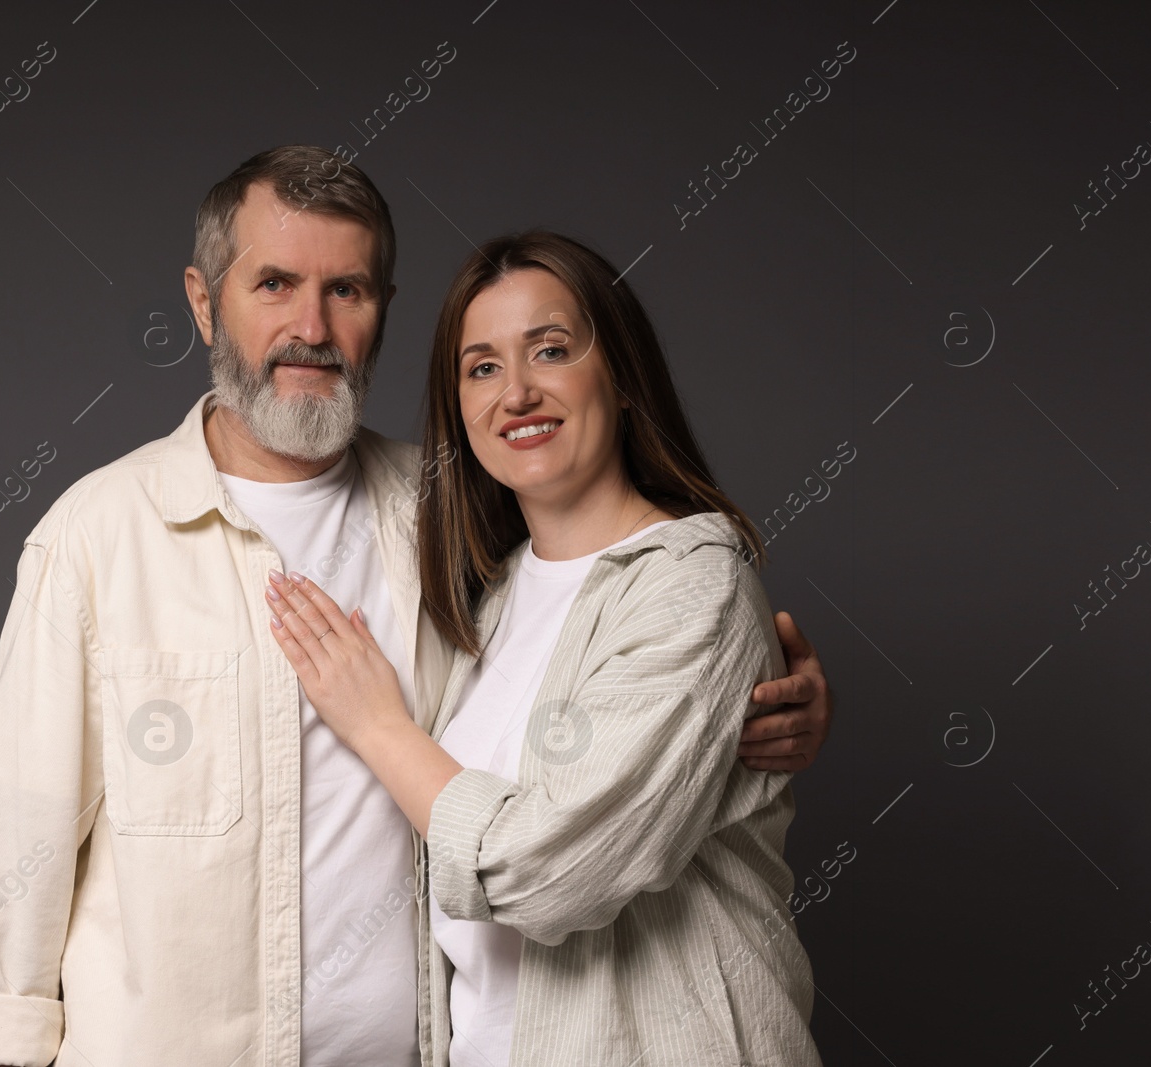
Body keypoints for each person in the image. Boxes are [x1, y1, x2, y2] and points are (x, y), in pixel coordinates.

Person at [0, 147, 832, 1067]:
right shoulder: (98, 534)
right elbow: (22, 819)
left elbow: (622, 632)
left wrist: (752, 714)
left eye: (347, 290)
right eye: (275, 283)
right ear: (206, 302)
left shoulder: (451, 515)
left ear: (385, 312)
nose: (310, 325)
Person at [261, 231, 823, 1065]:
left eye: (551, 350)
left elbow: (555, 875)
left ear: (623, 377)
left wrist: (379, 726)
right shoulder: (486, 604)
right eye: (481, 367)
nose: (515, 393)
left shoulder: (692, 585)